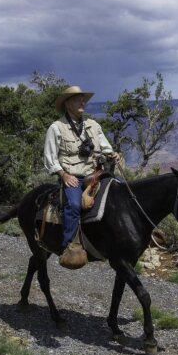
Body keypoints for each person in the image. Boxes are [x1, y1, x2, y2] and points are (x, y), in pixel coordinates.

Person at [43, 85, 120, 251]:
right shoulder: (56, 127)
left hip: (95, 173)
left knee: (120, 191)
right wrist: (63, 175)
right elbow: (49, 157)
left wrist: (112, 154)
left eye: (83, 99)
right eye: (78, 99)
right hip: (73, 177)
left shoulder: (93, 125)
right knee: (74, 205)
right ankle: (69, 245)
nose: (82, 102)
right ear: (68, 104)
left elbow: (105, 147)